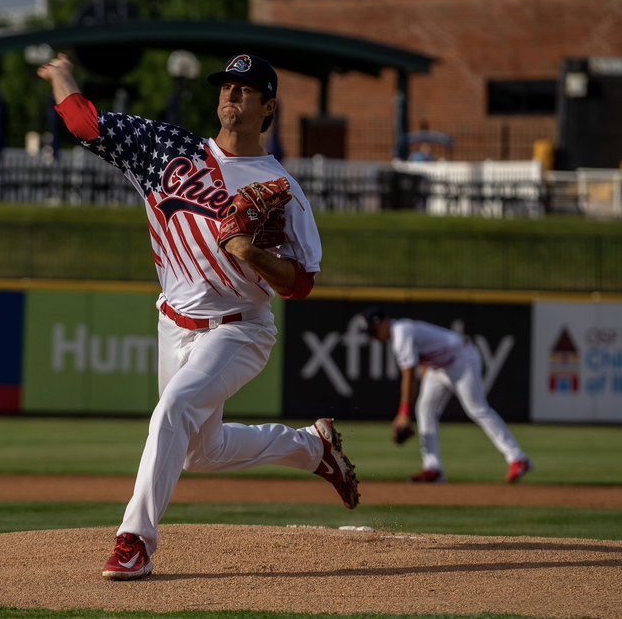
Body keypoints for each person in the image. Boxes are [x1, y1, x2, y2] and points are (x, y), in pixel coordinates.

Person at [38, 52, 360, 581]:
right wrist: (62, 74)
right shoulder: (167, 151)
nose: (231, 94)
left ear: (268, 107)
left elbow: (301, 283)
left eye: (246, 89)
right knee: (199, 453)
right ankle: (312, 447)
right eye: (226, 86)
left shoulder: (281, 189)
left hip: (239, 327)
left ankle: (133, 541)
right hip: (174, 323)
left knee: (173, 409)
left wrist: (253, 254)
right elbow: (82, 122)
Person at [358, 307, 531, 484]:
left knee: (477, 409)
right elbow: (422, 362)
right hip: (439, 367)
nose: (373, 336)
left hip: (461, 359)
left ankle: (518, 458)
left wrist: (403, 414)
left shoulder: (401, 332)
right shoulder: (400, 333)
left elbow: (409, 377)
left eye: (373, 331)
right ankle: (433, 469)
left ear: (383, 323)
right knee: (425, 410)